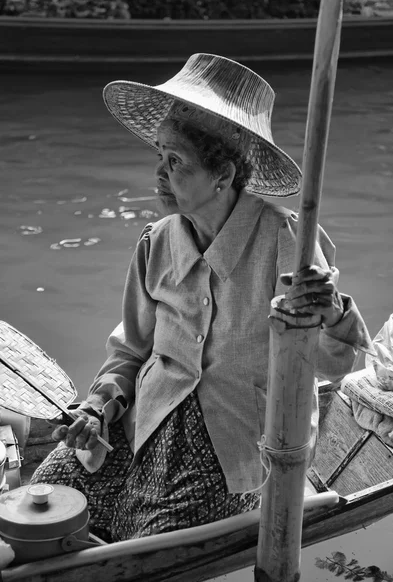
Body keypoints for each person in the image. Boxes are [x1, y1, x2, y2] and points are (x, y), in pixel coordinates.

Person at [31, 53, 372, 543]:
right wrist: (98, 406)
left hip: (233, 443)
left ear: (224, 175)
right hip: (144, 421)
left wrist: (330, 314)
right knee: (48, 495)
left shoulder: (285, 241)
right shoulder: (157, 240)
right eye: (159, 157)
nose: (159, 175)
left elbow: (331, 367)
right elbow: (130, 350)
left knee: (152, 540)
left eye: (176, 162)